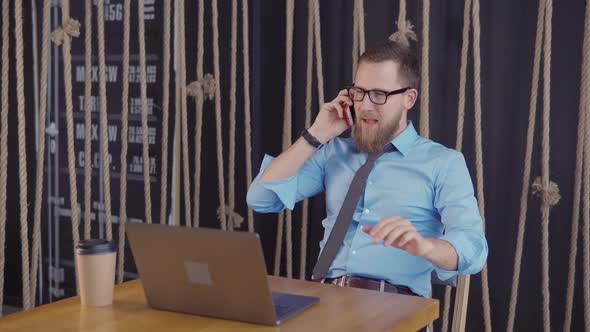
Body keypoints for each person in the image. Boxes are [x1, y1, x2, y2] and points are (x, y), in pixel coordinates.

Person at [246, 40, 488, 298]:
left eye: (379, 95)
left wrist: (424, 246)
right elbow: (261, 199)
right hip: (325, 300)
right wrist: (316, 134)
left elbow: (474, 249)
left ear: (409, 98)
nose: (365, 105)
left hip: (396, 306)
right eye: (359, 92)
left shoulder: (443, 162)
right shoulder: (333, 152)